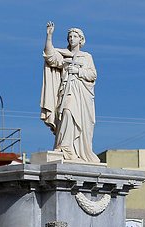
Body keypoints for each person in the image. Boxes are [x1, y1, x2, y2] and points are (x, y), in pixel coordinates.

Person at [40, 22, 100, 163]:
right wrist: (49, 36)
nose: (72, 39)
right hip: (67, 90)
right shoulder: (64, 56)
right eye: (70, 37)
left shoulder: (86, 57)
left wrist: (78, 71)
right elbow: (50, 57)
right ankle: (64, 147)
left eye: (75, 36)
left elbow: (93, 75)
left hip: (82, 94)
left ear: (81, 39)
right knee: (66, 112)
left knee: (77, 118)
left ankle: (75, 150)